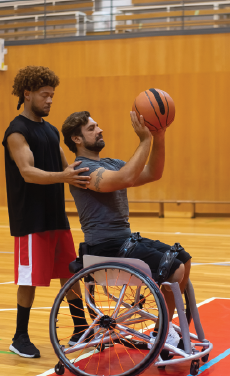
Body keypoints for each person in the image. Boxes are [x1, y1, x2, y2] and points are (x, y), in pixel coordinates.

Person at [61, 110, 192, 348]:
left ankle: (164, 327)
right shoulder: (81, 170)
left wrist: (158, 136)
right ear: (76, 139)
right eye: (91, 128)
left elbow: (153, 173)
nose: (100, 130)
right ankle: (164, 332)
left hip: (125, 241)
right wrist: (144, 140)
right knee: (175, 269)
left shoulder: (110, 163)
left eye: (97, 125)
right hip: (103, 247)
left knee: (184, 258)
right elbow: (124, 178)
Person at [2, 66, 92, 358]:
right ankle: (19, 337)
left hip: (56, 216)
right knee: (29, 278)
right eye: (45, 95)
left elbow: (69, 168)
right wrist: (64, 176)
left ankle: (81, 329)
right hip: (30, 219)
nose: (50, 100)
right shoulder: (17, 131)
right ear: (27, 94)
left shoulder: (51, 131)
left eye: (53, 95)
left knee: (71, 273)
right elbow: (28, 172)